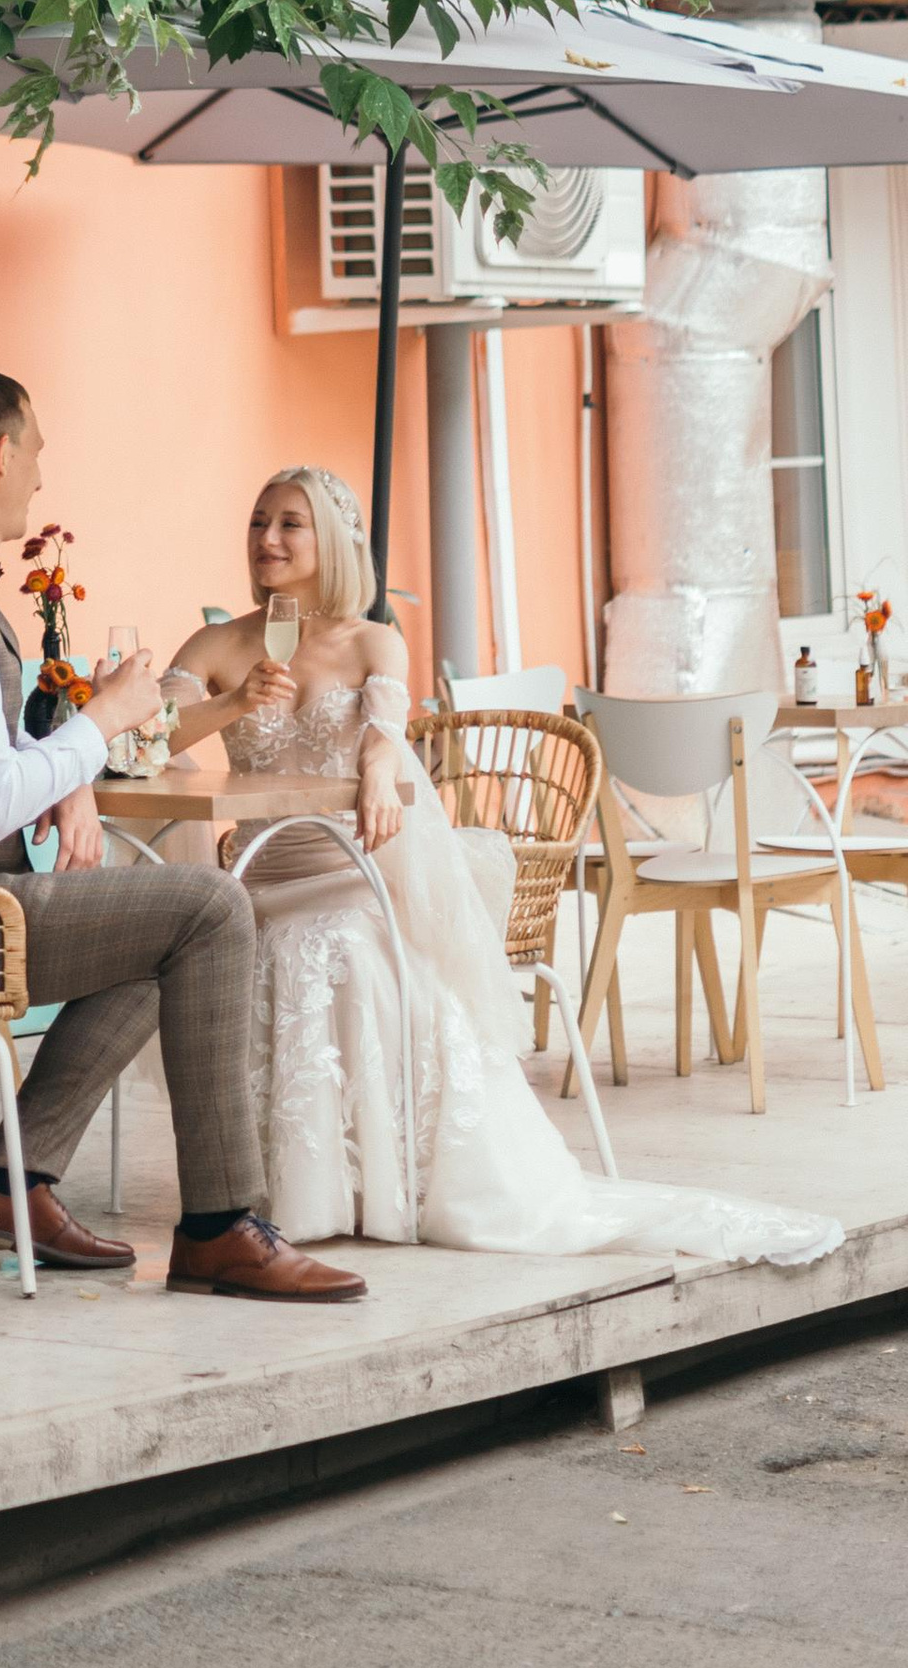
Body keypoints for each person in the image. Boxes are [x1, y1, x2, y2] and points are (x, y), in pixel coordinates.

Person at [159, 465, 838, 1266]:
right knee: (265, 939)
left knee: (351, 938)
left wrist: (381, 770)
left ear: (331, 540)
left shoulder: (371, 637)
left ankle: (390, 1180)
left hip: (354, 867)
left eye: (289, 524)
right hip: (261, 877)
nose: (267, 539)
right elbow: (153, 737)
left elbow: (385, 725)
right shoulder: (216, 645)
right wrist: (231, 707)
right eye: (258, 520)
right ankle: (298, 1189)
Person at [0, 365, 369, 1300]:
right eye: (33, 449)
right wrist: (106, 719)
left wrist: (72, 776)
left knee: (163, 935)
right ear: (1, 452)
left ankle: (10, 1186)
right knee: (209, 904)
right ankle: (218, 1224)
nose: (39, 472)